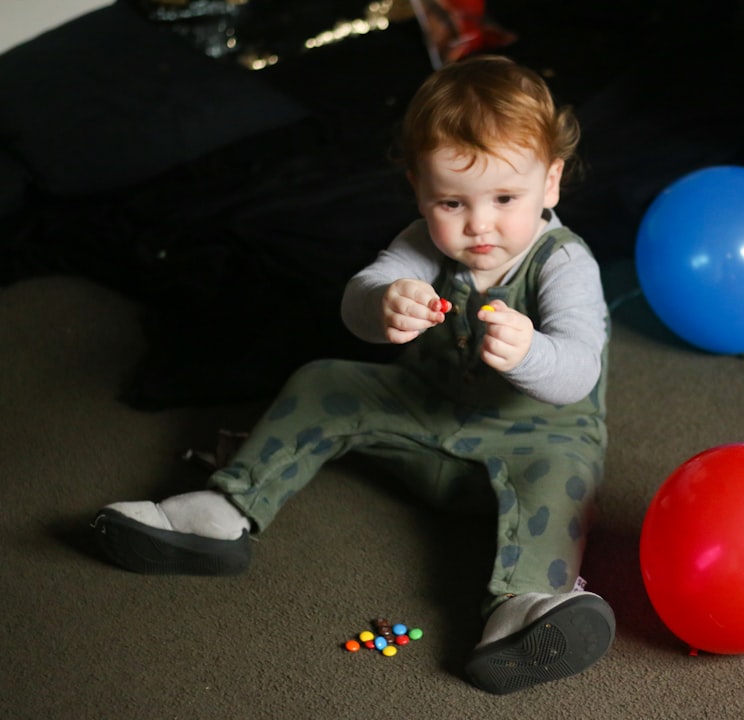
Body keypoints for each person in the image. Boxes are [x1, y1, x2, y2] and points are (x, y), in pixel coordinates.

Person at [92, 55, 614, 695]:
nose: (479, 225)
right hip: (424, 416)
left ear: (551, 183)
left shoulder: (563, 262)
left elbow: (580, 371)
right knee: (322, 380)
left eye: (506, 199)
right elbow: (359, 299)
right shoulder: (423, 243)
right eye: (452, 201)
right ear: (419, 192)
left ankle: (523, 604)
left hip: (535, 437)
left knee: (568, 475)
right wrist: (381, 303)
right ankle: (224, 510)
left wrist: (533, 352)